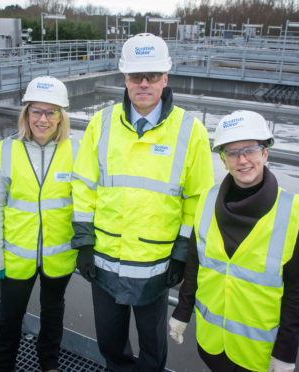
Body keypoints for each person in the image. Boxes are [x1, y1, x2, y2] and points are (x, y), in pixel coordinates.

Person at [71, 33, 214, 371]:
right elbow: (83, 188)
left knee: (153, 350)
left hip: (156, 265)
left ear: (166, 77)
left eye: (152, 75)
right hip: (104, 261)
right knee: (109, 341)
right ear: (125, 78)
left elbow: (199, 199)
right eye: (137, 76)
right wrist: (84, 243)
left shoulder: (190, 132)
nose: (144, 83)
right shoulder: (101, 124)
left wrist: (182, 254)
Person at [168, 110, 299, 372]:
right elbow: (194, 265)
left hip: (258, 354)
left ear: (265, 153)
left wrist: (286, 352)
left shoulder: (292, 212)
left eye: (250, 150)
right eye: (232, 153)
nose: (242, 160)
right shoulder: (207, 201)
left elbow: (297, 291)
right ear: (223, 160)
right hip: (211, 344)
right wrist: (182, 312)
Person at [0, 76, 78, 372]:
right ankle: (2, 367)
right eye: (36, 111)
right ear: (25, 114)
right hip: (15, 258)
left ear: (61, 116)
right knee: (9, 318)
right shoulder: (7, 150)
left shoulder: (76, 151)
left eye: (51, 112)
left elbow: (87, 206)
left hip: (58, 256)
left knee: (53, 315)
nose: (43, 119)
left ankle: (49, 364)